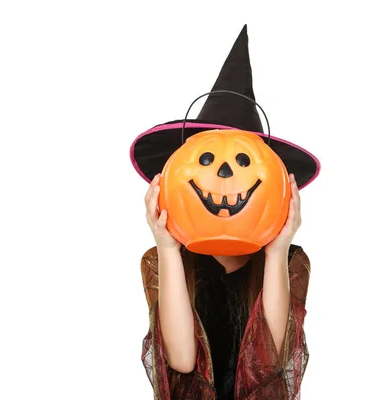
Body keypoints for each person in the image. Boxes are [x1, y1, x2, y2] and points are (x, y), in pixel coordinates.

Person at [130, 25, 321, 399]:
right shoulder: (164, 262)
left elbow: (268, 362)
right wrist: (168, 247)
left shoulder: (289, 262)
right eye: (205, 160)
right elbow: (183, 360)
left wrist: (278, 247)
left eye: (242, 161)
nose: (223, 175)